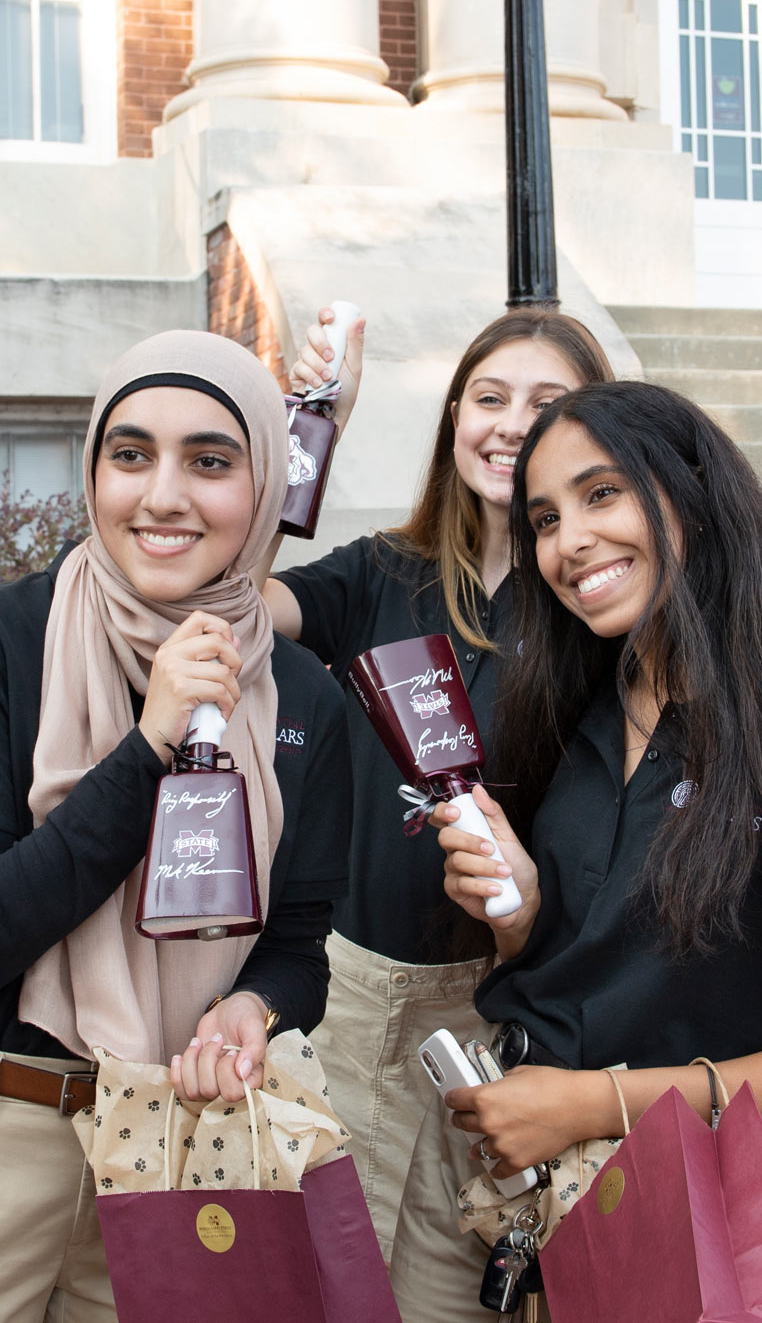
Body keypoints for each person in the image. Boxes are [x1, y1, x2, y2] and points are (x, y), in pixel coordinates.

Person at [418, 381, 762, 1318]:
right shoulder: (582, 708)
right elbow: (607, 964)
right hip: (549, 1200)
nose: (570, 544)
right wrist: (523, 912)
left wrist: (592, 1103)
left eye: (603, 495)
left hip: (697, 1223)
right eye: (546, 518)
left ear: (694, 497)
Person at [0, 330, 352, 1323]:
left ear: (264, 486)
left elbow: (298, 946)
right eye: (130, 454)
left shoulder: (305, 694)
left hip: (184, 1145)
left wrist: (252, 1007)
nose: (163, 495)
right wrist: (146, 750)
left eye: (211, 461)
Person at [257, 307, 611, 1296]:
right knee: (322, 1288)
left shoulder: (599, 608)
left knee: (451, 1296)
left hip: (501, 1013)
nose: (510, 424)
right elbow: (233, 600)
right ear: (454, 418)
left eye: (547, 403)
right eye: (489, 398)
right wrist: (314, 425)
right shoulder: (381, 574)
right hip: (351, 1000)